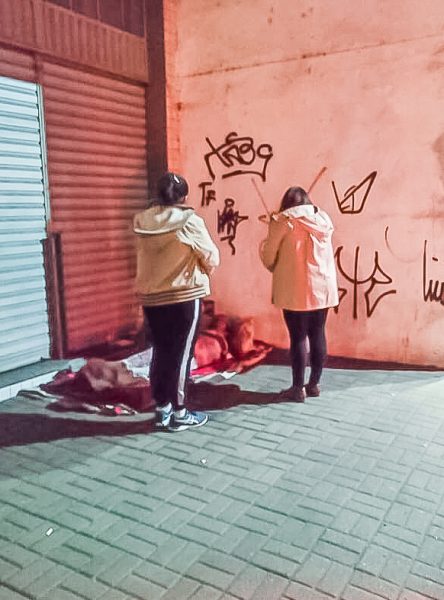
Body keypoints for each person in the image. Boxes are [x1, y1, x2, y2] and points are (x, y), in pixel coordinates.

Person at [134, 172, 220, 431]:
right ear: (184, 197)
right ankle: (180, 412)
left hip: (152, 297)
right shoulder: (189, 221)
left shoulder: (142, 221)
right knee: (181, 355)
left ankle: (162, 409)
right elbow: (211, 256)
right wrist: (202, 270)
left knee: (160, 351)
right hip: (184, 296)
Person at [260, 186, 338, 402]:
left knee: (298, 337)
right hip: (322, 287)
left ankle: (297, 388)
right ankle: (314, 384)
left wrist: (268, 243)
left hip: (294, 288)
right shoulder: (323, 220)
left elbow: (269, 256)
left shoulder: (282, 222)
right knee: (318, 332)